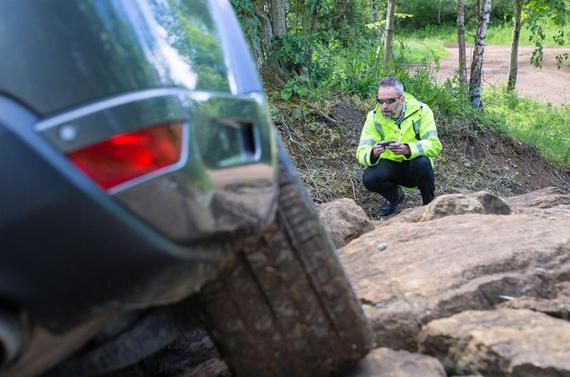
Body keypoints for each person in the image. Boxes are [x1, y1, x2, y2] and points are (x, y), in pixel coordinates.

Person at [356, 77, 442, 217]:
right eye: (380, 101)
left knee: (423, 163)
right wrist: (373, 153)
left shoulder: (422, 111)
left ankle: (429, 206)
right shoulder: (373, 117)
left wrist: (409, 149)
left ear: (401, 99)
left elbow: (434, 144)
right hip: (390, 167)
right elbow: (361, 151)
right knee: (369, 178)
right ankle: (395, 198)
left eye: (389, 101)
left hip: (415, 167)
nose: (384, 106)